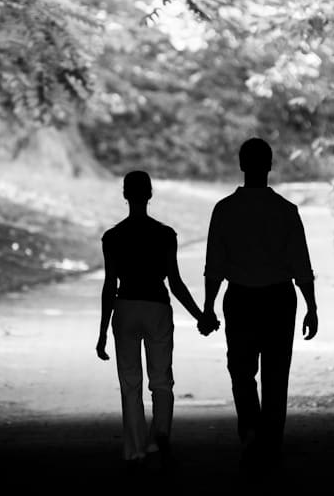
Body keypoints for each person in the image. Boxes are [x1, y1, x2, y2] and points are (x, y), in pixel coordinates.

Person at [198, 137, 317, 470]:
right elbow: (301, 265)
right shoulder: (286, 211)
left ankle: (250, 430)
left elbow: (214, 267)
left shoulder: (224, 210)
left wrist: (208, 307)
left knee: (241, 370)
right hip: (280, 300)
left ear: (241, 165)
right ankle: (271, 443)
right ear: (269, 166)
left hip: (240, 299)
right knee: (276, 375)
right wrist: (312, 307)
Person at [95, 170, 209, 471]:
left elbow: (109, 286)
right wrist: (201, 316)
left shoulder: (113, 237)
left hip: (126, 307)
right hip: (157, 307)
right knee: (161, 380)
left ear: (125, 195)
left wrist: (103, 332)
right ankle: (159, 436)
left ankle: (134, 450)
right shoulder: (165, 235)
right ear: (149, 194)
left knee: (130, 382)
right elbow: (175, 282)